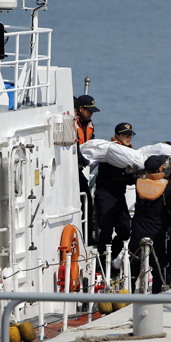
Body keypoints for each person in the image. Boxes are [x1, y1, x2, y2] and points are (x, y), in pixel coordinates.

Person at [129, 155, 171, 293]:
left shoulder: (138, 181)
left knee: (134, 262)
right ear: (159, 169)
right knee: (158, 264)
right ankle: (157, 292)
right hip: (156, 230)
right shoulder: (166, 186)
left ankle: (129, 290)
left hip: (138, 228)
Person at [94, 123, 137, 261]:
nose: (129, 137)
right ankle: (101, 263)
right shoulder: (110, 151)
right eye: (125, 134)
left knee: (125, 230)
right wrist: (126, 171)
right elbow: (111, 173)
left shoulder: (129, 153)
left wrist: (133, 174)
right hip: (105, 195)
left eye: (130, 134)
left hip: (119, 196)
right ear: (117, 135)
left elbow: (128, 181)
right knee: (106, 230)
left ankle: (110, 258)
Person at [75, 95, 100, 245]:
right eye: (89, 111)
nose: (91, 114)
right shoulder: (73, 124)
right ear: (81, 109)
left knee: (87, 201)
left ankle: (87, 234)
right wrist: (83, 160)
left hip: (81, 167)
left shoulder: (90, 124)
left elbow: (92, 144)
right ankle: (84, 235)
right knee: (84, 200)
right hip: (72, 168)